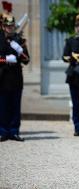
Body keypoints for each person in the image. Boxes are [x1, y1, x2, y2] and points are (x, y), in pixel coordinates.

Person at [0, 4, 30, 142]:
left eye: (12, 26)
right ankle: (3, 131)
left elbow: (27, 60)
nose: (10, 29)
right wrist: (5, 59)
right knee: (3, 106)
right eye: (7, 26)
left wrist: (20, 50)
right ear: (3, 26)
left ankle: (14, 131)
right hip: (2, 77)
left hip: (16, 78)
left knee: (15, 107)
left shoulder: (19, 40)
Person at [62, 4, 79, 137]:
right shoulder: (71, 40)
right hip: (74, 75)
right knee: (76, 102)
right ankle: (77, 126)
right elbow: (64, 56)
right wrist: (72, 57)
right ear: (76, 27)